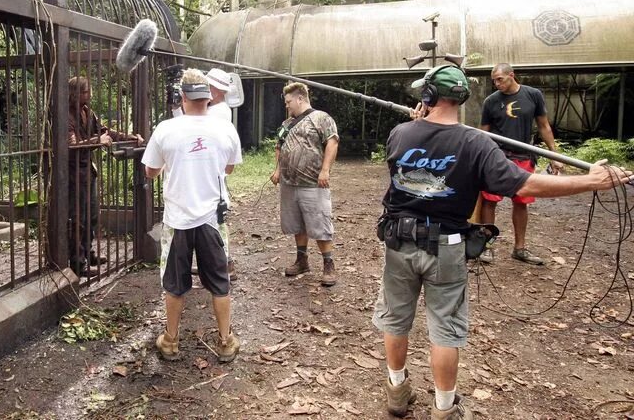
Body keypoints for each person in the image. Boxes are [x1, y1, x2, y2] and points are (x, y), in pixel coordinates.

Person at [372, 64, 632, 420]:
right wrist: (591, 181)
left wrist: (421, 123)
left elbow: (409, 155)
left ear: (429, 96)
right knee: (444, 329)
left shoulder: (400, 133)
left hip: (398, 243)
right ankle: (444, 410)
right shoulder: (476, 143)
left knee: (395, 320)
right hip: (445, 249)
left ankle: (396, 392)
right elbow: (526, 184)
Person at [142, 68, 243, 362]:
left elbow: (149, 171)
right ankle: (225, 341)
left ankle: (171, 341)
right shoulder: (226, 129)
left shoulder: (165, 129)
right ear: (208, 98)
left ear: (183, 96)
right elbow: (229, 168)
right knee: (219, 283)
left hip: (178, 220)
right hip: (213, 219)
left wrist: (169, 166)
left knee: (174, 284)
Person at [479, 63, 563, 265]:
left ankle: (520, 249)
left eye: (500, 79)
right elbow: (483, 132)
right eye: (494, 80)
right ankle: (487, 247)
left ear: (512, 75)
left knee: (521, 202)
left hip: (524, 155)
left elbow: (544, 126)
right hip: (497, 156)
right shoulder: (491, 101)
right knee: (490, 201)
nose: (496, 83)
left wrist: (554, 155)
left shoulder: (533, 95)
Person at [68, 76, 143, 276]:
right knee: (78, 218)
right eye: (85, 92)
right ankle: (77, 262)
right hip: (72, 173)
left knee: (91, 215)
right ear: (75, 94)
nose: (89, 95)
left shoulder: (86, 111)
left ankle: (88, 252)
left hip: (87, 171)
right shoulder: (66, 115)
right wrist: (97, 140)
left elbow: (106, 132)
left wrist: (131, 138)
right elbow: (71, 145)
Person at [270, 82, 339, 286]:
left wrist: (325, 170)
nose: (287, 106)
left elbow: (332, 142)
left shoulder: (321, 118)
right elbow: (279, 147)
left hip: (312, 183)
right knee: (297, 223)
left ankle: (328, 264)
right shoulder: (286, 124)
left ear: (300, 98)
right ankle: (302, 260)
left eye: (289, 101)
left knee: (319, 223)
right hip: (289, 183)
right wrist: (277, 170)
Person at [206, 68, 237, 279]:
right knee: (213, 220)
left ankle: (225, 262)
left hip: (213, 174)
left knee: (216, 221)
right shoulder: (217, 109)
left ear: (216, 90)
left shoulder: (218, 112)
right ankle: (219, 261)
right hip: (213, 172)